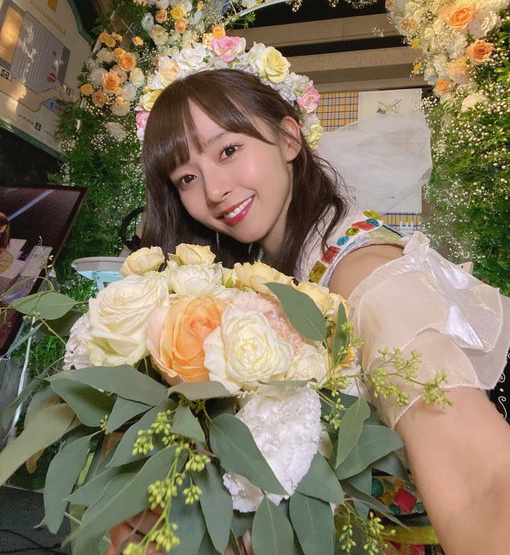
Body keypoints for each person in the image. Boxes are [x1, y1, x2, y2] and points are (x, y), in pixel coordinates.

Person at [111, 48, 510, 555]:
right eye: (186, 177)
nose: (213, 190)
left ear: (288, 138)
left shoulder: (365, 277)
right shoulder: (276, 267)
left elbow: (482, 486)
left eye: (228, 150)